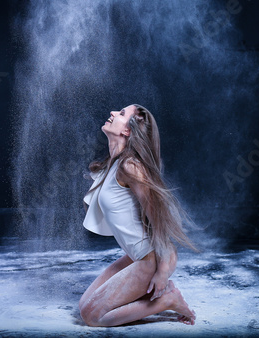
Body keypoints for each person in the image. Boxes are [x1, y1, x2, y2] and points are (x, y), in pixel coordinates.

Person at [79, 104, 197, 327]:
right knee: (84, 306)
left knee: (92, 317)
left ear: (127, 131)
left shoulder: (130, 166)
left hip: (149, 260)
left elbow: (158, 219)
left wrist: (162, 271)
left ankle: (167, 300)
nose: (113, 112)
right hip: (136, 257)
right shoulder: (113, 165)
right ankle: (157, 296)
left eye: (121, 113)